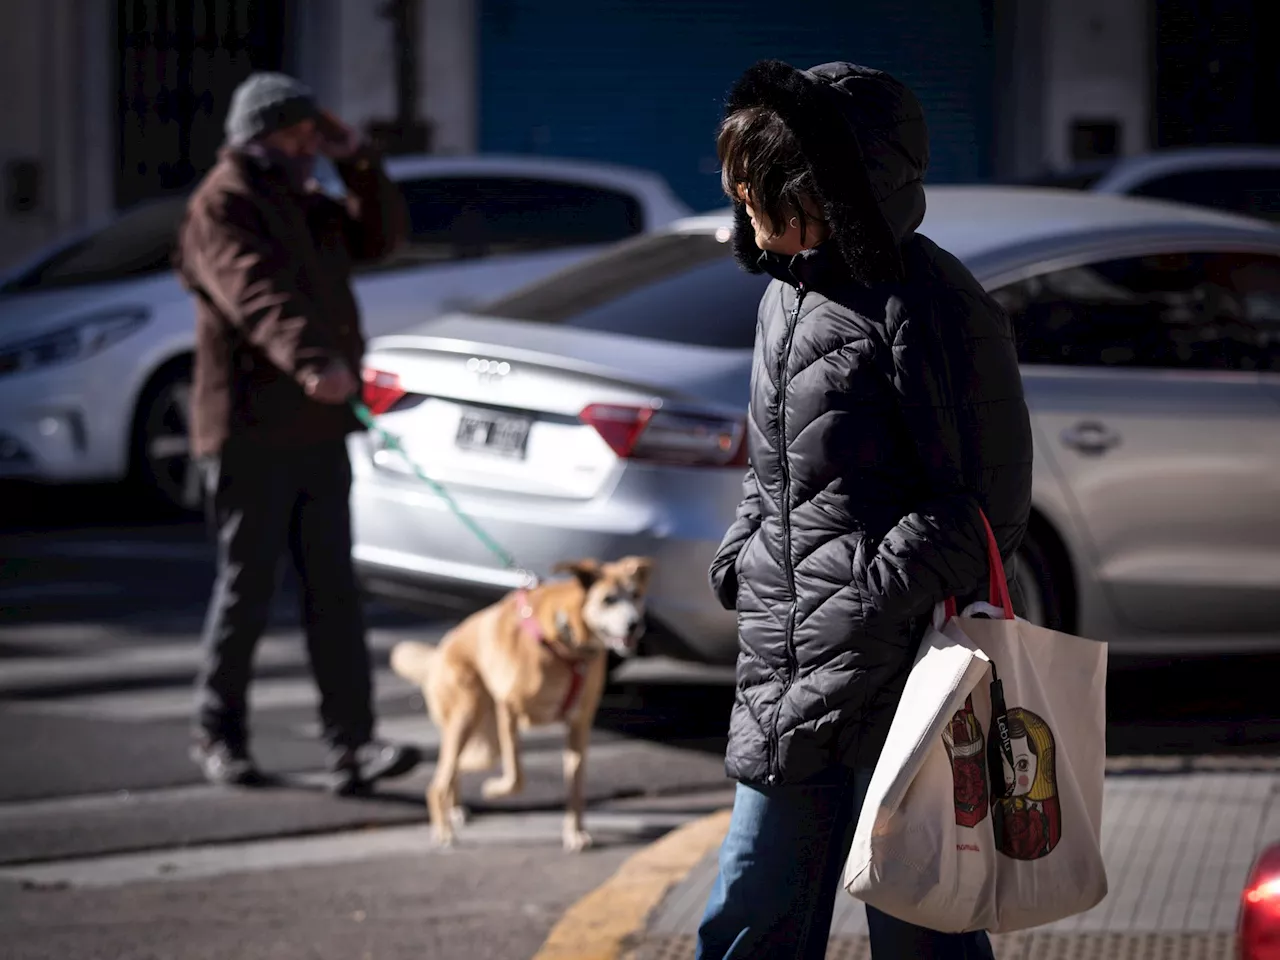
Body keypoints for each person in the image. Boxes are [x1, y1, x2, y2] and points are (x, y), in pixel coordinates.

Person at [697, 60, 1033, 958]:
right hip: (785, 664)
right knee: (749, 917)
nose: (740, 195)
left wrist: (864, 599)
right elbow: (772, 466)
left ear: (832, 187)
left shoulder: (938, 308)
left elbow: (983, 509)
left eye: (759, 180)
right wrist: (744, 553)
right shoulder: (785, 294)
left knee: (922, 932)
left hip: (904, 678)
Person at [175, 72, 420, 795]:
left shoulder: (305, 198)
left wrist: (357, 159)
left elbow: (379, 236)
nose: (310, 144)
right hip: (248, 430)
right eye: (298, 133)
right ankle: (218, 733)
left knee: (333, 592)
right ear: (259, 136)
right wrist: (315, 360)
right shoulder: (220, 205)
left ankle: (353, 747)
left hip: (315, 427)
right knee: (246, 589)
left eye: (316, 132)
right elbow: (255, 294)